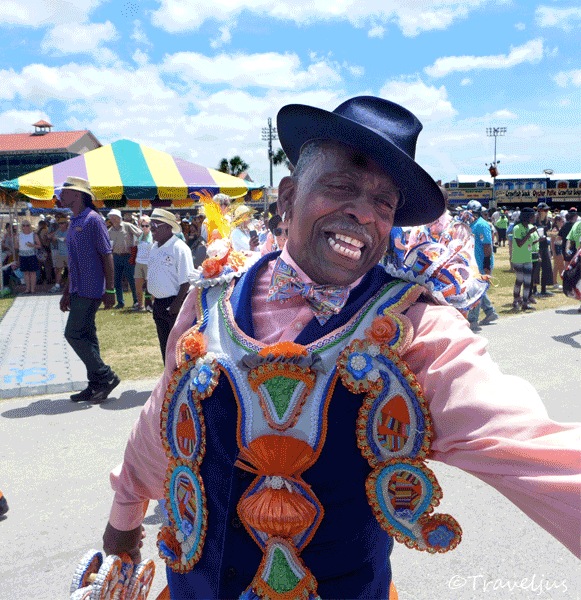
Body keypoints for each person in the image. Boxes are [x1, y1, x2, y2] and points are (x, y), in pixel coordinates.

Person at [102, 97, 580, 600]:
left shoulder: (418, 330)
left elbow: (533, 449)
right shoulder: (210, 298)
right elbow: (164, 419)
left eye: (384, 203)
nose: (363, 213)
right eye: (341, 187)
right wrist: (125, 515)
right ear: (287, 198)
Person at [58, 176, 120, 404]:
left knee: (73, 334)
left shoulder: (93, 220)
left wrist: (111, 290)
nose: (61, 195)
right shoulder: (74, 220)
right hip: (76, 288)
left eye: (66, 192)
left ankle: (106, 376)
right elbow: (73, 262)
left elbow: (107, 255)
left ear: (78, 195)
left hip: (91, 289)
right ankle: (95, 385)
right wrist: (66, 292)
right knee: (87, 337)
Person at [146, 208, 194, 363]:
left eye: (155, 224)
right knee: (165, 346)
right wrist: (148, 296)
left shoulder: (179, 247)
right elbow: (151, 275)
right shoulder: (154, 248)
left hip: (174, 303)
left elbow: (186, 281)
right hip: (158, 304)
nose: (151, 228)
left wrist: (176, 304)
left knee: (178, 346)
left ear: (168, 227)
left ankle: (179, 380)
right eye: (150, 224)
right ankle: (168, 379)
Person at [466, 200, 498, 331]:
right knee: (479, 289)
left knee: (476, 290)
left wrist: (486, 265)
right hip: (474, 262)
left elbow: (487, 246)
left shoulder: (482, 225)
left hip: (482, 263)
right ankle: (490, 313)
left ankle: (473, 321)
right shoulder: (470, 224)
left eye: (470, 212)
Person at [108, 208, 141, 309]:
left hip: (128, 256)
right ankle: (120, 302)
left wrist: (138, 244)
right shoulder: (109, 230)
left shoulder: (127, 226)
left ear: (119, 218)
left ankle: (136, 300)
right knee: (117, 281)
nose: (112, 219)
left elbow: (140, 234)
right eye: (111, 217)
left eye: (114, 217)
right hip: (116, 257)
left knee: (131, 279)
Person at [511, 207, 538, 310]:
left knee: (527, 281)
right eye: (533, 216)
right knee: (519, 280)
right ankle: (516, 299)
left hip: (528, 257)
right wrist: (529, 233)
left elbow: (529, 243)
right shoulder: (517, 228)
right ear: (527, 217)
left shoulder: (530, 227)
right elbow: (519, 244)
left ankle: (525, 303)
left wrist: (538, 240)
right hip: (518, 258)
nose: (534, 218)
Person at [14, 220, 41, 294]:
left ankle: (32, 289)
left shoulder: (34, 234)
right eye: (24, 225)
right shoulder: (19, 235)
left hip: (32, 255)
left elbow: (39, 245)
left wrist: (32, 245)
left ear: (30, 226)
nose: (25, 227)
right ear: (21, 227)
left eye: (27, 225)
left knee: (32, 273)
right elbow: (16, 247)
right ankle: (27, 289)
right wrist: (16, 242)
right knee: (25, 273)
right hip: (22, 255)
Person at [133, 215, 153, 312]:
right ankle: (140, 305)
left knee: (150, 286)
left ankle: (151, 305)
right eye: (143, 225)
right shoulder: (140, 235)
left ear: (150, 226)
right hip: (139, 262)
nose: (144, 227)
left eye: (146, 225)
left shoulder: (153, 235)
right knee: (138, 286)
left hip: (149, 263)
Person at [534, 202, 554, 296]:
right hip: (536, 246)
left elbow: (548, 232)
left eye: (547, 210)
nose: (546, 212)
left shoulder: (548, 221)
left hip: (545, 245)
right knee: (536, 268)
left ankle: (543, 289)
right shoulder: (534, 220)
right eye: (544, 210)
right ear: (539, 211)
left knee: (547, 267)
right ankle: (534, 290)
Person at [47, 216, 69, 293]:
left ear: (66, 224)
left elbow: (70, 239)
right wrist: (56, 234)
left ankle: (71, 286)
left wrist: (63, 239)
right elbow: (51, 237)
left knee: (70, 270)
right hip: (60, 253)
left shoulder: (70, 230)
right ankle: (57, 285)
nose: (61, 225)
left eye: (62, 223)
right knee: (59, 269)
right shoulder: (58, 231)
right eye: (59, 223)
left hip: (69, 254)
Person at [549, 215, 565, 290]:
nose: (563, 222)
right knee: (560, 266)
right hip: (557, 248)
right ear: (557, 221)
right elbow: (552, 242)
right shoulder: (555, 230)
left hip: (560, 247)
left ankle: (555, 282)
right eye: (562, 221)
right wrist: (553, 252)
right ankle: (560, 282)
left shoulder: (560, 228)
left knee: (556, 266)